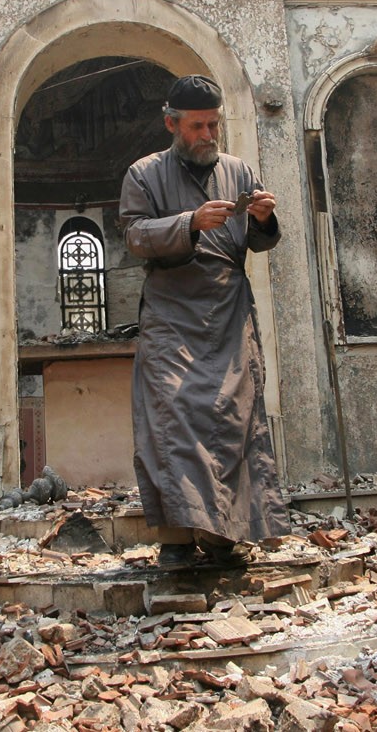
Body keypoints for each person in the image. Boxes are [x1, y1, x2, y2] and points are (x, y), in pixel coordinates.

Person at [118, 74, 290, 569]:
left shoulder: (239, 170)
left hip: (228, 309)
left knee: (230, 419)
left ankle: (223, 536)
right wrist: (189, 223)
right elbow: (133, 238)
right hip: (171, 313)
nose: (208, 135)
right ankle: (176, 540)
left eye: (214, 125)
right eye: (197, 126)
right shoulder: (143, 174)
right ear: (172, 124)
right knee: (169, 419)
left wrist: (261, 219)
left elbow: (261, 243)